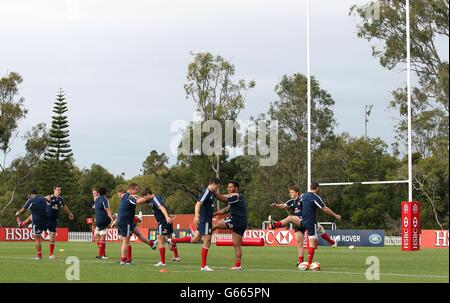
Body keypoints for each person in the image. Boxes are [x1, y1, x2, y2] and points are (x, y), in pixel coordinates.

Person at [168, 177, 221, 271]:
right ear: (213, 184)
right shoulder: (206, 192)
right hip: (204, 221)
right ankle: (203, 266)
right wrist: (196, 216)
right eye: (217, 186)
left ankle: (174, 241)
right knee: (207, 241)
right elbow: (198, 204)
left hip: (207, 221)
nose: (217, 188)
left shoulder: (211, 193)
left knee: (195, 239)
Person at [299, 182, 341, 269]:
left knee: (320, 229)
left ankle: (333, 243)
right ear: (317, 188)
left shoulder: (303, 195)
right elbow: (325, 209)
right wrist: (336, 215)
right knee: (312, 244)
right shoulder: (315, 197)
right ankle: (308, 264)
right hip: (311, 222)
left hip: (303, 221)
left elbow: (299, 205)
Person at [117, 183, 157, 265]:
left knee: (138, 233)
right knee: (125, 241)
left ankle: (152, 244)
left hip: (129, 220)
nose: (137, 191)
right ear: (132, 189)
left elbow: (137, 198)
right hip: (125, 221)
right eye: (136, 190)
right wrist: (149, 197)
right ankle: (123, 260)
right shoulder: (130, 197)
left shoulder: (126, 195)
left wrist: (141, 197)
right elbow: (138, 202)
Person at [212, 181, 247, 270]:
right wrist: (215, 213)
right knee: (236, 245)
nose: (228, 189)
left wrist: (213, 192)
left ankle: (204, 234)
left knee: (216, 224)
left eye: (230, 187)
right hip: (242, 223)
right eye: (228, 187)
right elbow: (226, 209)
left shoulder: (236, 196)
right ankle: (238, 265)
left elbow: (224, 199)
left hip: (236, 220)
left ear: (236, 188)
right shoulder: (236, 198)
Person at [141, 189, 180, 267]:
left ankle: (162, 262)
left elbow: (161, 207)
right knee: (170, 239)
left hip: (163, 222)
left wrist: (166, 217)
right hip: (166, 221)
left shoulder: (155, 199)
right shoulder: (153, 199)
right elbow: (140, 201)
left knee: (160, 240)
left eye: (145, 197)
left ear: (148, 194)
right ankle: (176, 256)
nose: (145, 199)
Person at [269, 186, 306, 266]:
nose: (291, 194)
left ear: (297, 192)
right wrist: (277, 205)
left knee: (290, 217)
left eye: (292, 192)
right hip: (297, 223)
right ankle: (301, 262)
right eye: (290, 193)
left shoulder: (302, 198)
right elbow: (284, 205)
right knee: (299, 243)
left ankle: (275, 225)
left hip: (304, 220)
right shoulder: (291, 201)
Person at [15, 190, 49, 259]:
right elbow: (49, 198)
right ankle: (22, 224)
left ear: (31, 194)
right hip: (45, 220)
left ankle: (39, 256)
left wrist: (17, 213)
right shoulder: (43, 199)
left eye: (29, 195)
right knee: (32, 216)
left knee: (37, 238)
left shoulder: (31, 200)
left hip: (37, 221)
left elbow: (23, 209)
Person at [44, 185, 74, 259]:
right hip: (46, 219)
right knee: (37, 234)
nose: (59, 191)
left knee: (52, 238)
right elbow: (41, 199)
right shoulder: (50, 197)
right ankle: (39, 253)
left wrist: (70, 213)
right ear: (54, 190)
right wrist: (45, 197)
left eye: (60, 190)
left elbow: (64, 207)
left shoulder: (61, 199)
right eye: (58, 189)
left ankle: (51, 255)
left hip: (54, 220)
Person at [92, 187, 114, 260]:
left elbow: (94, 207)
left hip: (98, 220)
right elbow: (107, 209)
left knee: (98, 236)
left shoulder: (97, 200)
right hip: (103, 219)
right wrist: (112, 219)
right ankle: (102, 255)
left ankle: (102, 254)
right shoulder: (104, 199)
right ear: (106, 193)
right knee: (98, 237)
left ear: (98, 193)